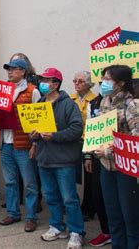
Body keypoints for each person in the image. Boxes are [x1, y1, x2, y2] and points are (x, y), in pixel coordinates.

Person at [31, 68, 84, 249]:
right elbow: (33, 131)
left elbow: (77, 129)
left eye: (47, 80)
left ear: (56, 84)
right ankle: (57, 226)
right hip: (44, 159)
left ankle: (76, 232)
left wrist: (55, 136)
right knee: (51, 196)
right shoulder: (39, 103)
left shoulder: (68, 104)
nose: (43, 83)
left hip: (64, 160)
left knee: (69, 198)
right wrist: (34, 135)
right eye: (42, 79)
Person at [0, 59, 40, 232]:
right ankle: (13, 213)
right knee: (10, 182)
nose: (9, 72)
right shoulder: (2, 90)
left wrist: (35, 144)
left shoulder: (33, 91)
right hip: (5, 142)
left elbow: (38, 121)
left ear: (23, 71)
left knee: (30, 183)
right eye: (8, 69)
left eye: (14, 69)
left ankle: (31, 217)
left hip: (23, 144)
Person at [95, 65, 139, 249]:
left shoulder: (132, 105)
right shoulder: (104, 102)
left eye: (108, 79)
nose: (104, 82)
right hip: (107, 167)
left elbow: (135, 140)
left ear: (121, 83)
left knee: (130, 216)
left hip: (125, 170)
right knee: (113, 214)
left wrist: (109, 151)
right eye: (103, 78)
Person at [84, 93, 111, 247]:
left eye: (108, 79)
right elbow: (90, 128)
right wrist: (88, 155)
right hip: (97, 155)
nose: (104, 83)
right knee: (98, 194)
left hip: (119, 157)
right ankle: (106, 231)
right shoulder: (94, 103)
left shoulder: (131, 101)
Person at [70, 71, 96, 221]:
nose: (77, 84)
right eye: (75, 81)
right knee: (72, 174)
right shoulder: (70, 98)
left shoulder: (94, 100)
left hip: (88, 141)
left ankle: (88, 208)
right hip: (73, 141)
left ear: (89, 83)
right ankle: (73, 205)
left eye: (80, 81)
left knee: (89, 176)